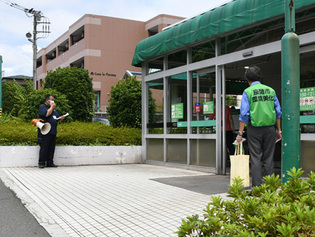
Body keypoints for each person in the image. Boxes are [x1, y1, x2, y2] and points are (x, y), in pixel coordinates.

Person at [236, 66, 282, 187]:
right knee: (269, 158)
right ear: (260, 77)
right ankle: (270, 188)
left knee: (256, 158)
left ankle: (257, 189)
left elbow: (244, 114)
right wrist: (279, 130)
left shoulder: (248, 92)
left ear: (247, 79)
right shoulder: (271, 90)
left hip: (254, 129)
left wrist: (240, 133)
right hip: (270, 129)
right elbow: (278, 112)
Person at [38, 94, 66, 168]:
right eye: (52, 99)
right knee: (44, 147)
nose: (53, 101)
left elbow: (56, 118)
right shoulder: (42, 107)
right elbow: (46, 114)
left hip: (53, 130)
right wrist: (51, 107)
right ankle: (41, 162)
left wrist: (61, 118)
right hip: (45, 130)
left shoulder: (54, 109)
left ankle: (50, 162)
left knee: (51, 147)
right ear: (47, 100)